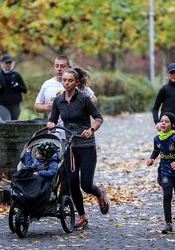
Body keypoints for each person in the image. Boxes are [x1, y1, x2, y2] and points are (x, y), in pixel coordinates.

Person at [47, 68, 109, 229]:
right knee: (73, 182)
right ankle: (82, 216)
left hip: (86, 146)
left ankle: (99, 193)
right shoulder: (58, 100)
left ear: (76, 82)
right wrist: (51, 124)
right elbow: (52, 119)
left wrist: (91, 129)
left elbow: (98, 118)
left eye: (70, 80)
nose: (66, 83)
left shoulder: (83, 99)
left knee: (86, 185)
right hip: (70, 146)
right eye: (64, 80)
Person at [34, 55, 97, 198]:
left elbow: (93, 99)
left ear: (69, 67)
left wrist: (80, 107)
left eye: (62, 66)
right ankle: (58, 199)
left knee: (67, 171)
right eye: (57, 66)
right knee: (56, 167)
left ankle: (63, 200)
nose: (59, 69)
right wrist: (48, 107)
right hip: (56, 133)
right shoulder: (47, 85)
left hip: (75, 135)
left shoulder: (76, 84)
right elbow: (37, 106)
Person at [146, 112, 175, 234]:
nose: (163, 123)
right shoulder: (157, 138)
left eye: (166, 121)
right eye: (162, 121)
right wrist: (152, 158)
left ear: (172, 125)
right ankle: (168, 224)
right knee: (167, 194)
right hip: (165, 171)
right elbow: (156, 150)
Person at [0, 54, 27, 120]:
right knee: (7, 122)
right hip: (2, 105)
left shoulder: (16, 75)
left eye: (10, 62)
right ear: (2, 64)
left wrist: (17, 86)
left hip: (15, 104)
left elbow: (25, 90)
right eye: (6, 63)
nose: (8, 64)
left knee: (14, 124)